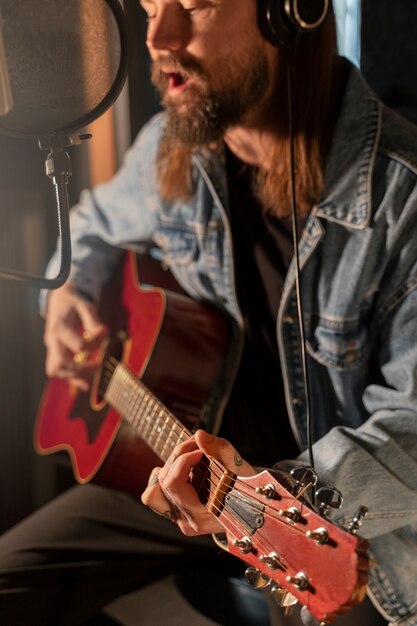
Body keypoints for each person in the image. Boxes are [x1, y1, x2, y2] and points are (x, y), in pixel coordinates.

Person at [1, 0, 417, 624]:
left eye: (193, 5)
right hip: (176, 478)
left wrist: (285, 493)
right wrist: (62, 295)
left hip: (324, 521)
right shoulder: (169, 149)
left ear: (290, 14)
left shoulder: (402, 197)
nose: (155, 38)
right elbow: (86, 227)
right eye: (146, 9)